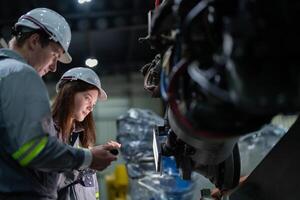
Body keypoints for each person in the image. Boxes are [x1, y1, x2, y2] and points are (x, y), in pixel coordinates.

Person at [0, 8, 120, 200]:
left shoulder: (4, 72)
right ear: (35, 41)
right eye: (55, 55)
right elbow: (34, 149)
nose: (54, 67)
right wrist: (88, 158)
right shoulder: (21, 74)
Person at [52, 67, 115, 200]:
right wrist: (87, 161)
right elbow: (48, 181)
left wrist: (91, 160)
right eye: (88, 98)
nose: (91, 107)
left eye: (93, 104)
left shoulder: (82, 138)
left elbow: (93, 191)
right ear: (68, 93)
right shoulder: (47, 132)